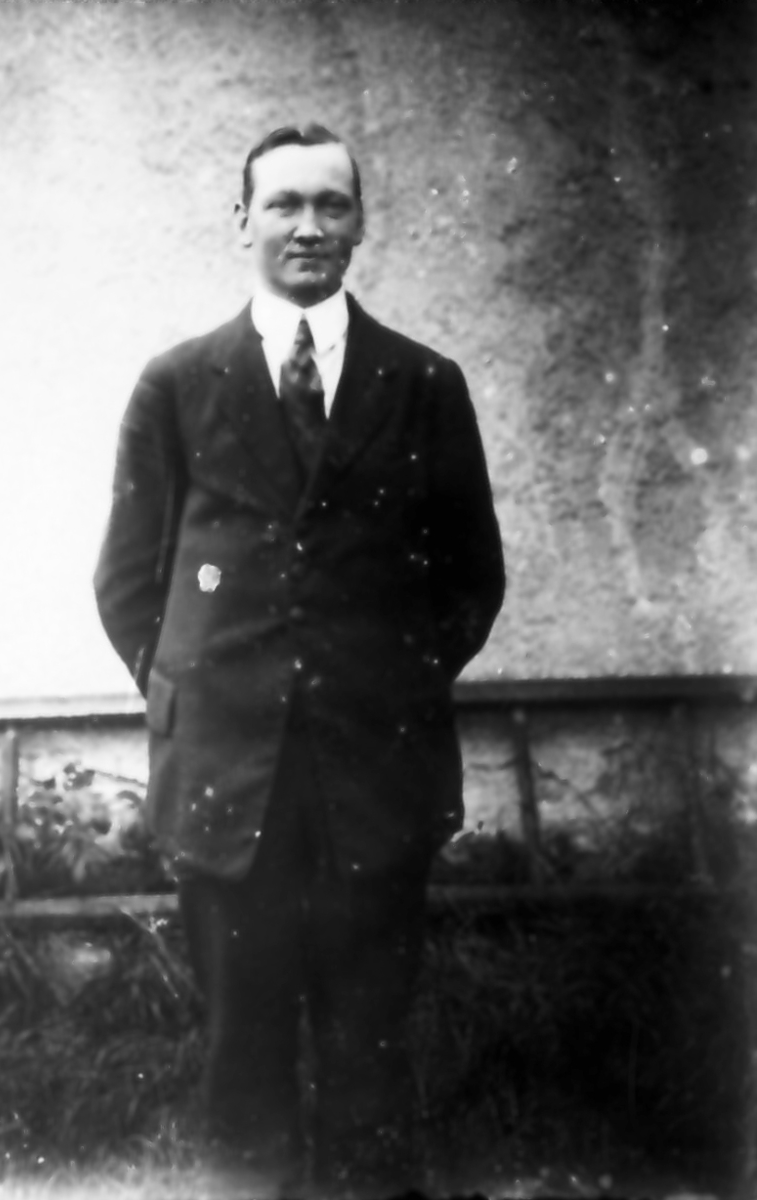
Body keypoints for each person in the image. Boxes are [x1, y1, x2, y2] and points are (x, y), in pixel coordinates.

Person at [94, 123, 505, 1200]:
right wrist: (203, 698)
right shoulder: (178, 383)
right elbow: (128, 582)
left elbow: (471, 577)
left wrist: (385, 685)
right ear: (243, 223)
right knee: (242, 1041)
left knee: (372, 1035)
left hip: (376, 769)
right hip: (227, 777)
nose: (309, 226)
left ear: (360, 223)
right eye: (284, 204)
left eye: (332, 204)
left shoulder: (423, 382)